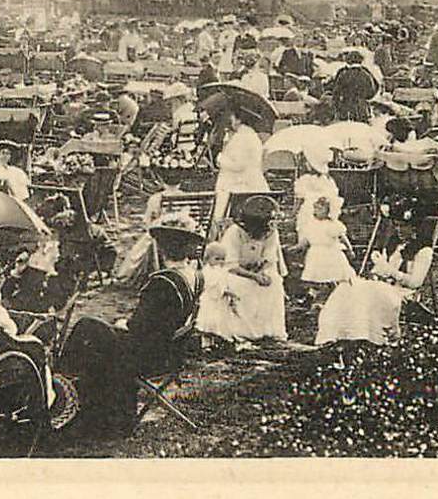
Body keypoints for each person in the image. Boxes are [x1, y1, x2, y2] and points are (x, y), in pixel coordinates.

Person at [58, 212, 205, 436]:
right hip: (170, 351)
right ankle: (83, 400)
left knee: (87, 327)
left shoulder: (163, 282)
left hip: (148, 356)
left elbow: (139, 326)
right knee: (95, 331)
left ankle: (63, 391)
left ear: (162, 248)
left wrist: (123, 323)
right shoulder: (195, 276)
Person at [315, 203, 435, 349]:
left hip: (402, 292)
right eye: (396, 225)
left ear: (414, 227)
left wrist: (390, 271)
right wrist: (378, 266)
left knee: (370, 293)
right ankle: (339, 333)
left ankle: (366, 336)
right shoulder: (393, 243)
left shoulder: (424, 250)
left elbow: (415, 283)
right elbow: (380, 270)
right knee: (346, 288)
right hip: (383, 285)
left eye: (403, 226)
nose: (398, 230)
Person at [212, 195, 287, 343]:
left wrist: (263, 272)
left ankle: (269, 329)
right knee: (241, 285)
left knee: (275, 282)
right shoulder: (234, 233)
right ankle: (242, 330)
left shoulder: (271, 232)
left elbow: (269, 258)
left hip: (257, 270)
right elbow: (230, 265)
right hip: (236, 273)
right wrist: (253, 276)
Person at [205, 99, 269, 224]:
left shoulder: (243, 137)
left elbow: (238, 165)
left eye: (232, 117)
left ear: (239, 119)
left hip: (241, 185)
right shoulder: (247, 134)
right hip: (246, 181)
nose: (230, 120)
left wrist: (220, 158)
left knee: (220, 210)